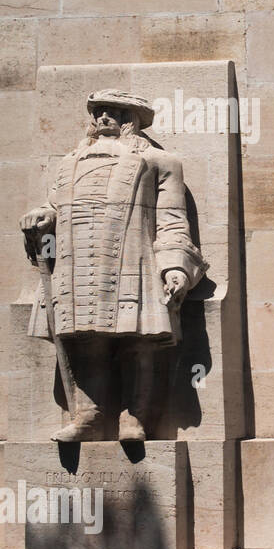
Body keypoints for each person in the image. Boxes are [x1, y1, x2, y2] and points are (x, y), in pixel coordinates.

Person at [20, 89, 207, 441]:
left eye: (114, 112)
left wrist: (175, 267)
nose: (104, 118)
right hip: (78, 264)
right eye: (99, 112)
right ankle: (89, 416)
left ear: (131, 120)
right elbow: (55, 207)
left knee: (141, 339)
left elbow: (171, 221)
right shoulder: (68, 163)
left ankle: (135, 418)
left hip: (132, 260)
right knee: (84, 338)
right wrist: (43, 217)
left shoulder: (161, 162)